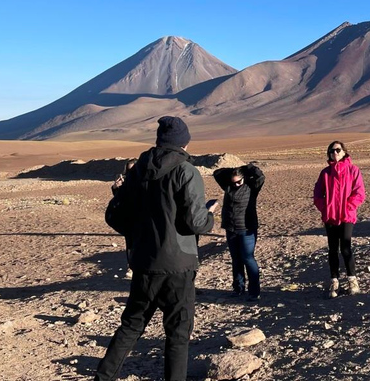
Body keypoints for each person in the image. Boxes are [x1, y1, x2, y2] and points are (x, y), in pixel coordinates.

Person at [96, 116, 218, 381]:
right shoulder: (186, 171)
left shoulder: (138, 170)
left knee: (130, 326)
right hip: (178, 265)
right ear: (185, 141)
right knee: (177, 333)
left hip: (144, 263)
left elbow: (118, 217)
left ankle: (103, 377)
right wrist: (210, 216)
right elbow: (194, 222)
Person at [313, 141, 366, 298]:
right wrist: (326, 208)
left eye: (338, 150)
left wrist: (348, 207)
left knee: (346, 247)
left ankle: (352, 280)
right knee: (332, 250)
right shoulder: (325, 173)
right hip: (330, 217)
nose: (335, 153)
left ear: (344, 152)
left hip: (346, 216)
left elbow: (359, 193)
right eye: (331, 151)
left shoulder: (353, 170)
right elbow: (317, 195)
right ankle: (334, 281)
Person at [213, 163, 265, 301]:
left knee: (248, 258)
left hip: (246, 228)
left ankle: (254, 291)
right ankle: (238, 288)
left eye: (239, 182)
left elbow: (260, 175)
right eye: (233, 182)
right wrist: (233, 171)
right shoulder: (228, 186)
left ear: (244, 178)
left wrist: (246, 168)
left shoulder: (251, 187)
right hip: (231, 228)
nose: (236, 185)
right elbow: (217, 173)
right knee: (236, 259)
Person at [111, 159, 136, 279]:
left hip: (145, 218)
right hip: (130, 218)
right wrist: (117, 188)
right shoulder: (126, 182)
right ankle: (131, 267)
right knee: (131, 244)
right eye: (128, 170)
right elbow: (119, 199)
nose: (131, 172)